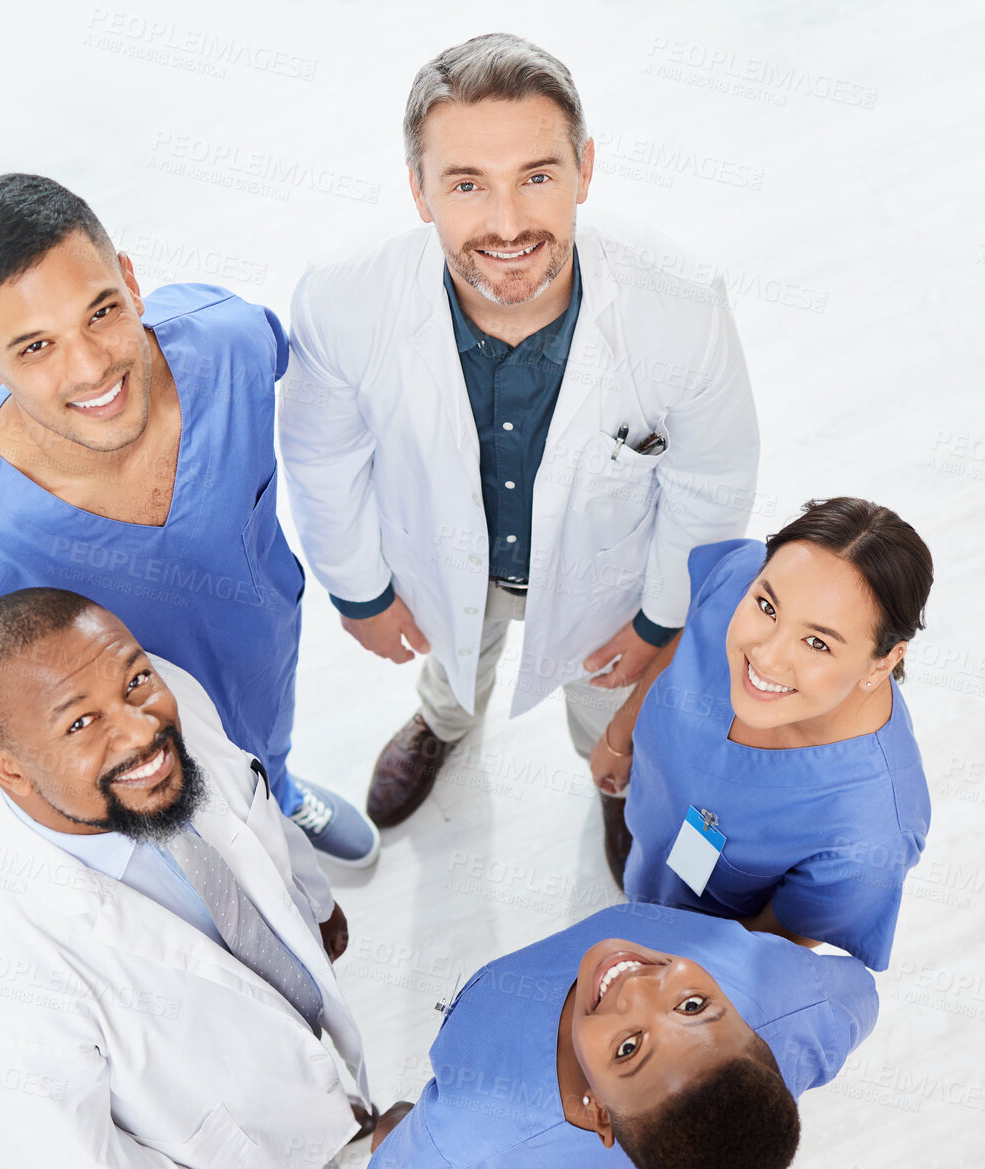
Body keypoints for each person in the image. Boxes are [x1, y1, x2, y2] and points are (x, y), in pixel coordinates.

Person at [278, 33, 760, 881]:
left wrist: (660, 617)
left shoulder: (680, 302)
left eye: (538, 176)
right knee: (457, 653)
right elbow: (323, 457)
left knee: (606, 694)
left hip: (607, 578)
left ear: (585, 169)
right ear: (420, 193)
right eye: (467, 184)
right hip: (439, 556)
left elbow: (710, 479)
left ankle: (613, 775)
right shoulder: (343, 295)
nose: (506, 225)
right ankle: (444, 722)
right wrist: (359, 588)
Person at [0, 589, 418, 1169]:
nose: (141, 726)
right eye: (81, 722)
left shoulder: (171, 696)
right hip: (246, 1151)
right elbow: (86, 1165)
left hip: (294, 1017)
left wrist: (312, 902)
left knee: (336, 1087)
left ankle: (345, 1115)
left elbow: (256, 806)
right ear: (8, 771)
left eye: (133, 681)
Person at [0, 173, 378, 867]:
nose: (91, 368)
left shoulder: (229, 342)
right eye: (35, 347)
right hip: (134, 746)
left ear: (132, 282)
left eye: (101, 311)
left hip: (259, 654)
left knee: (263, 742)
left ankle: (278, 795)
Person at [357, 901, 876, 1169]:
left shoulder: (480, 1144)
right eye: (692, 1007)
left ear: (596, 1112)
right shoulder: (788, 995)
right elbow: (859, 994)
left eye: (629, 1048)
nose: (640, 987)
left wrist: (399, 1126)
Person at [592, 497, 933, 971]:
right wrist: (620, 733)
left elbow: (768, 946)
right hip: (647, 840)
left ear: (884, 661)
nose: (767, 658)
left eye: (817, 642)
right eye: (767, 607)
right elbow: (694, 634)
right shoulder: (745, 576)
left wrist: (666, 978)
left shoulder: (869, 831)